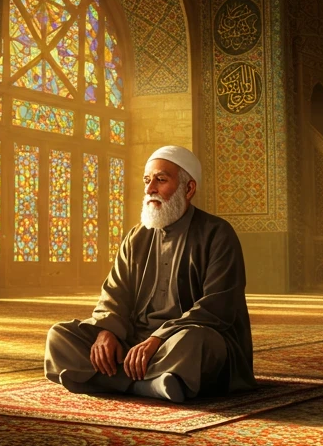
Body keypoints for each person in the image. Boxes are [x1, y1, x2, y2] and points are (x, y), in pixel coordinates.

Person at [44, 145, 256, 402]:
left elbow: (217, 307)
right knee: (60, 336)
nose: (149, 189)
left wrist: (158, 338)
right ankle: (153, 384)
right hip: (133, 341)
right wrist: (107, 331)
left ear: (188, 189)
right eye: (147, 180)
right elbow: (115, 293)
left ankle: (110, 380)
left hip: (178, 340)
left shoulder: (217, 234)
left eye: (161, 180)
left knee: (197, 342)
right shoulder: (137, 236)